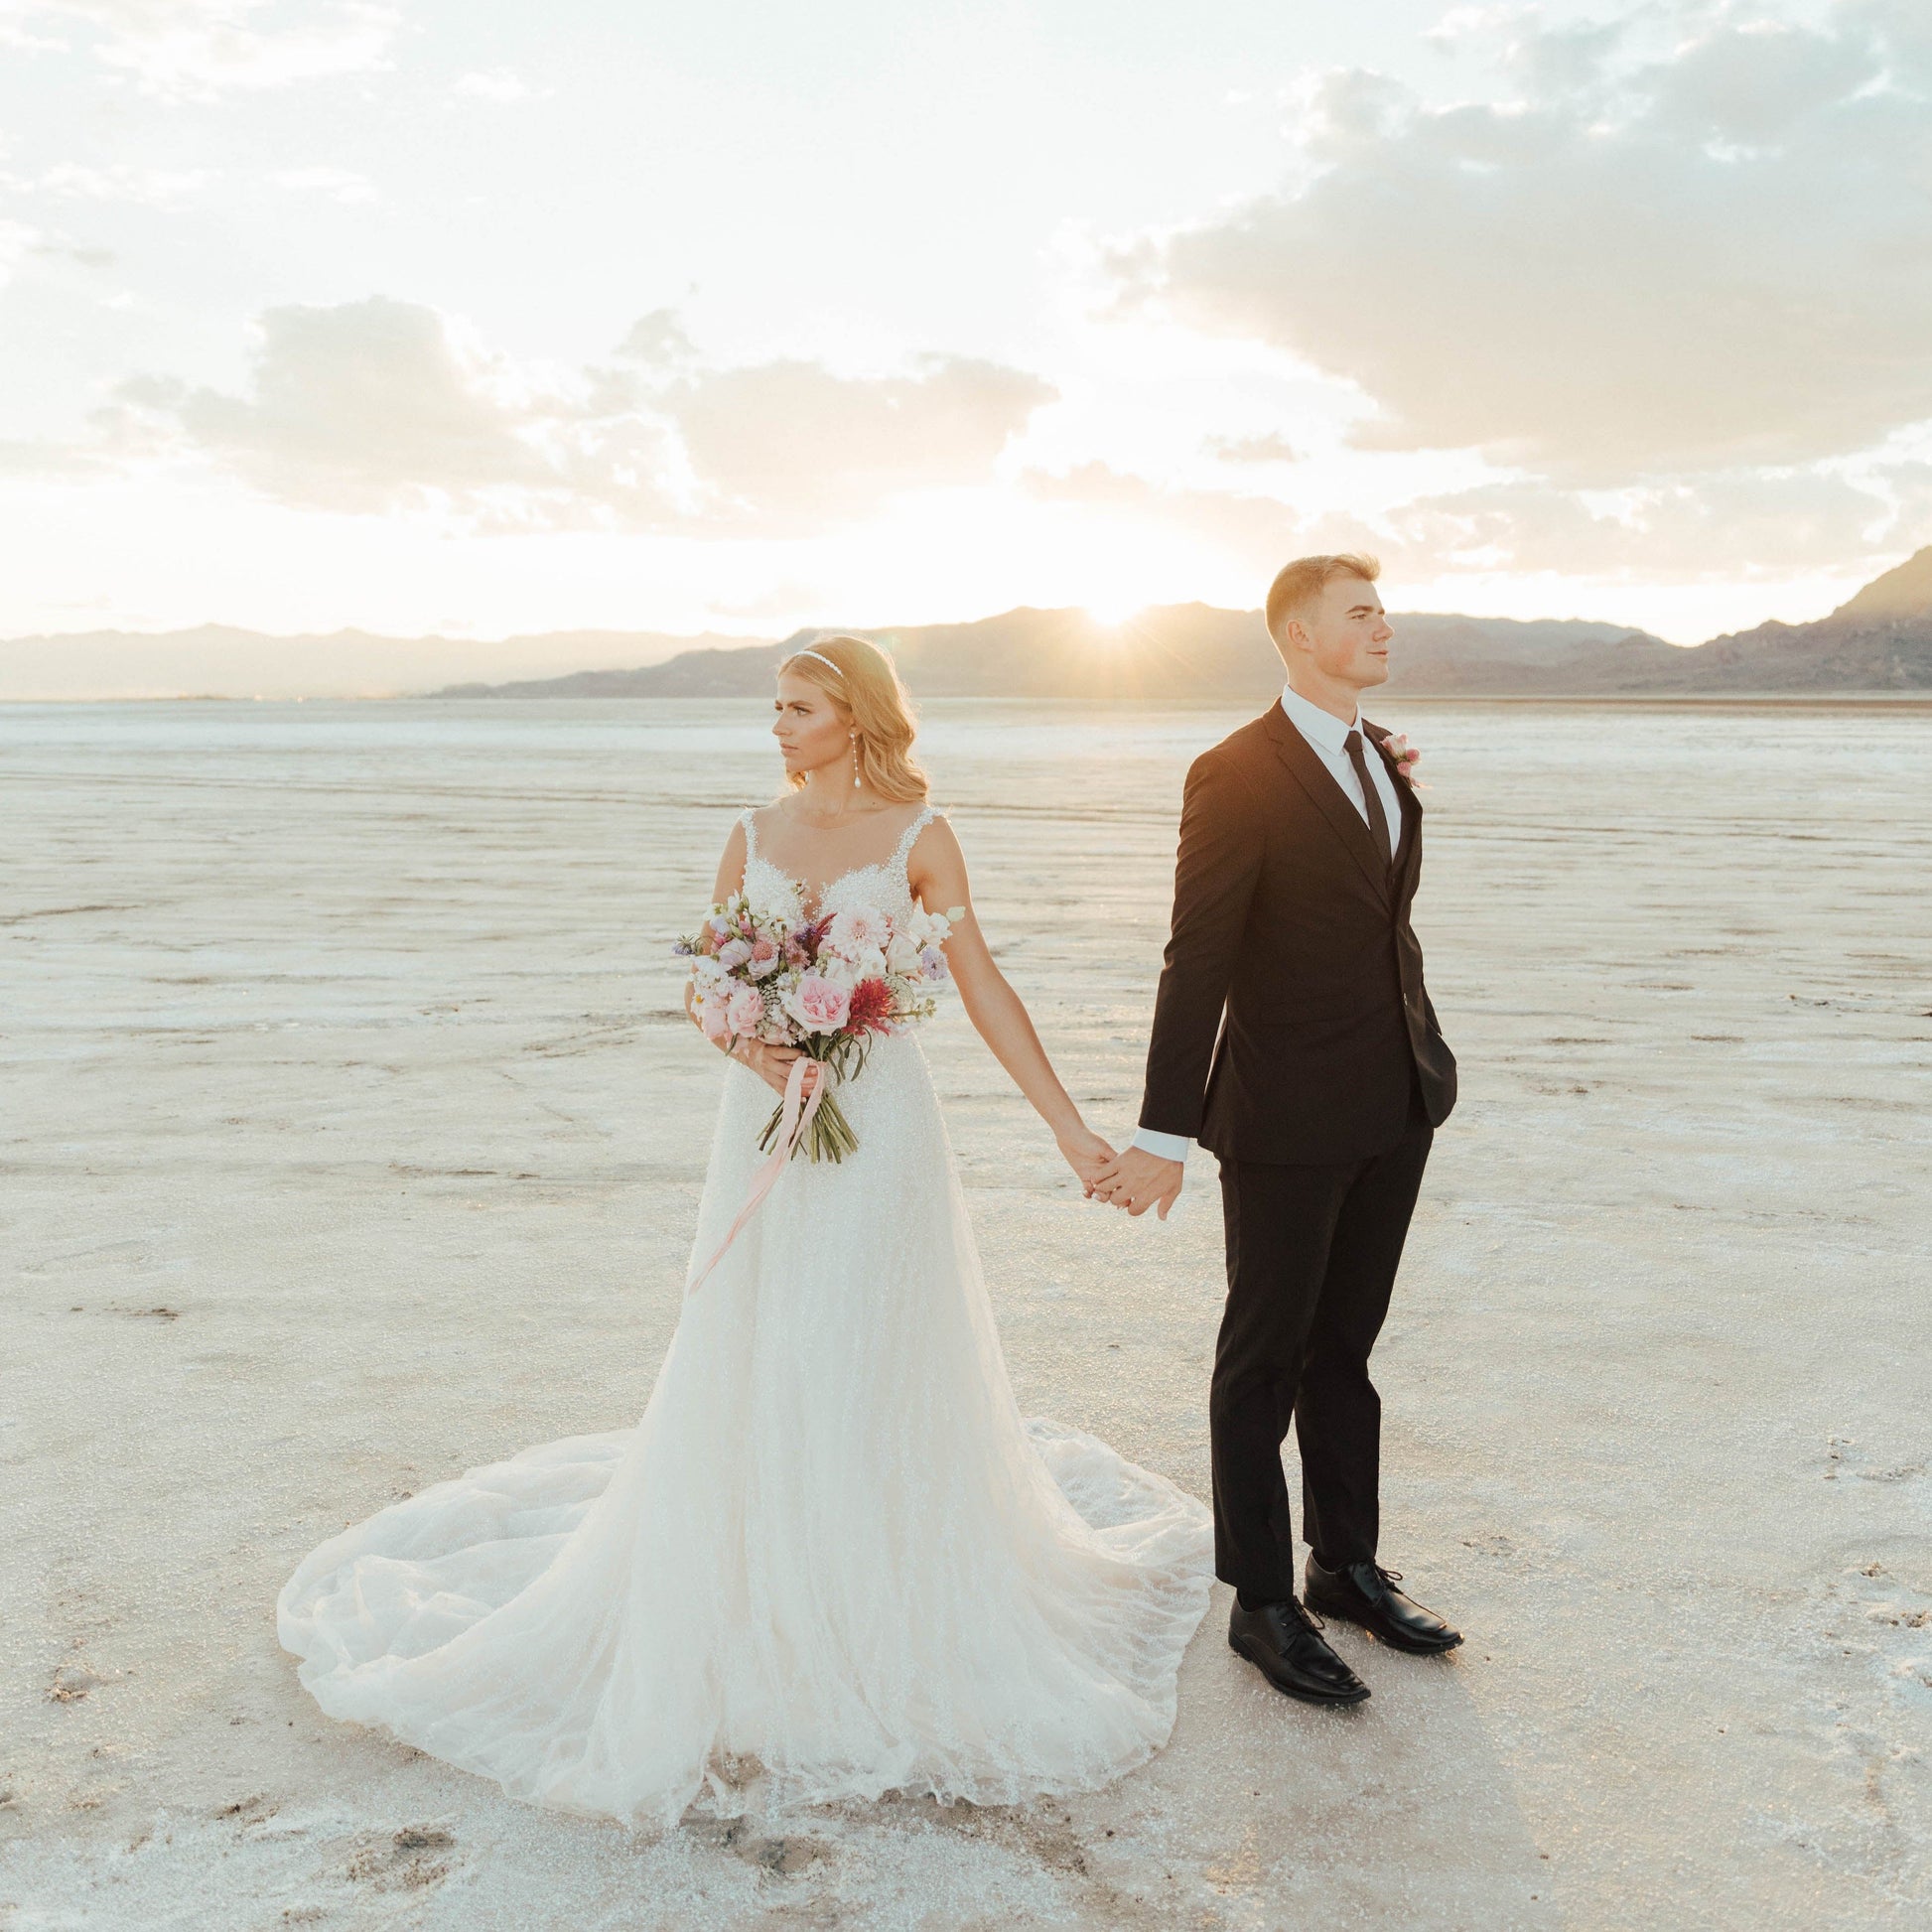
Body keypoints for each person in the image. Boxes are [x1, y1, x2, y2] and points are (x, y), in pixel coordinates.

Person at [278, 633, 1212, 1828]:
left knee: (860, 1341)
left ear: (857, 715)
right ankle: (753, 1587)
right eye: (775, 705)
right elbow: (705, 981)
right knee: (758, 1334)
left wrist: (1068, 1129)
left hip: (878, 1127)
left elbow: (979, 985)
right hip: (762, 1117)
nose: (776, 726)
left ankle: (874, 1591)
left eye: (800, 706)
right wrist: (750, 1042)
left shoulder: (921, 836)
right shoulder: (751, 832)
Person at [1093, 555, 1462, 1707]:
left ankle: (1343, 1563)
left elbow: (1380, 925)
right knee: (1261, 1355)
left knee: (1344, 1348)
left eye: (1382, 610)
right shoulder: (1234, 771)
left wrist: (1422, 1065)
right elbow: (1194, 953)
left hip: (1395, 1099)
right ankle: (1260, 1599)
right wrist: (1162, 1127)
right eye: (1360, 614)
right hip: (1284, 1114)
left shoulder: (1378, 758)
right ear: (1298, 635)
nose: (1383, 627)